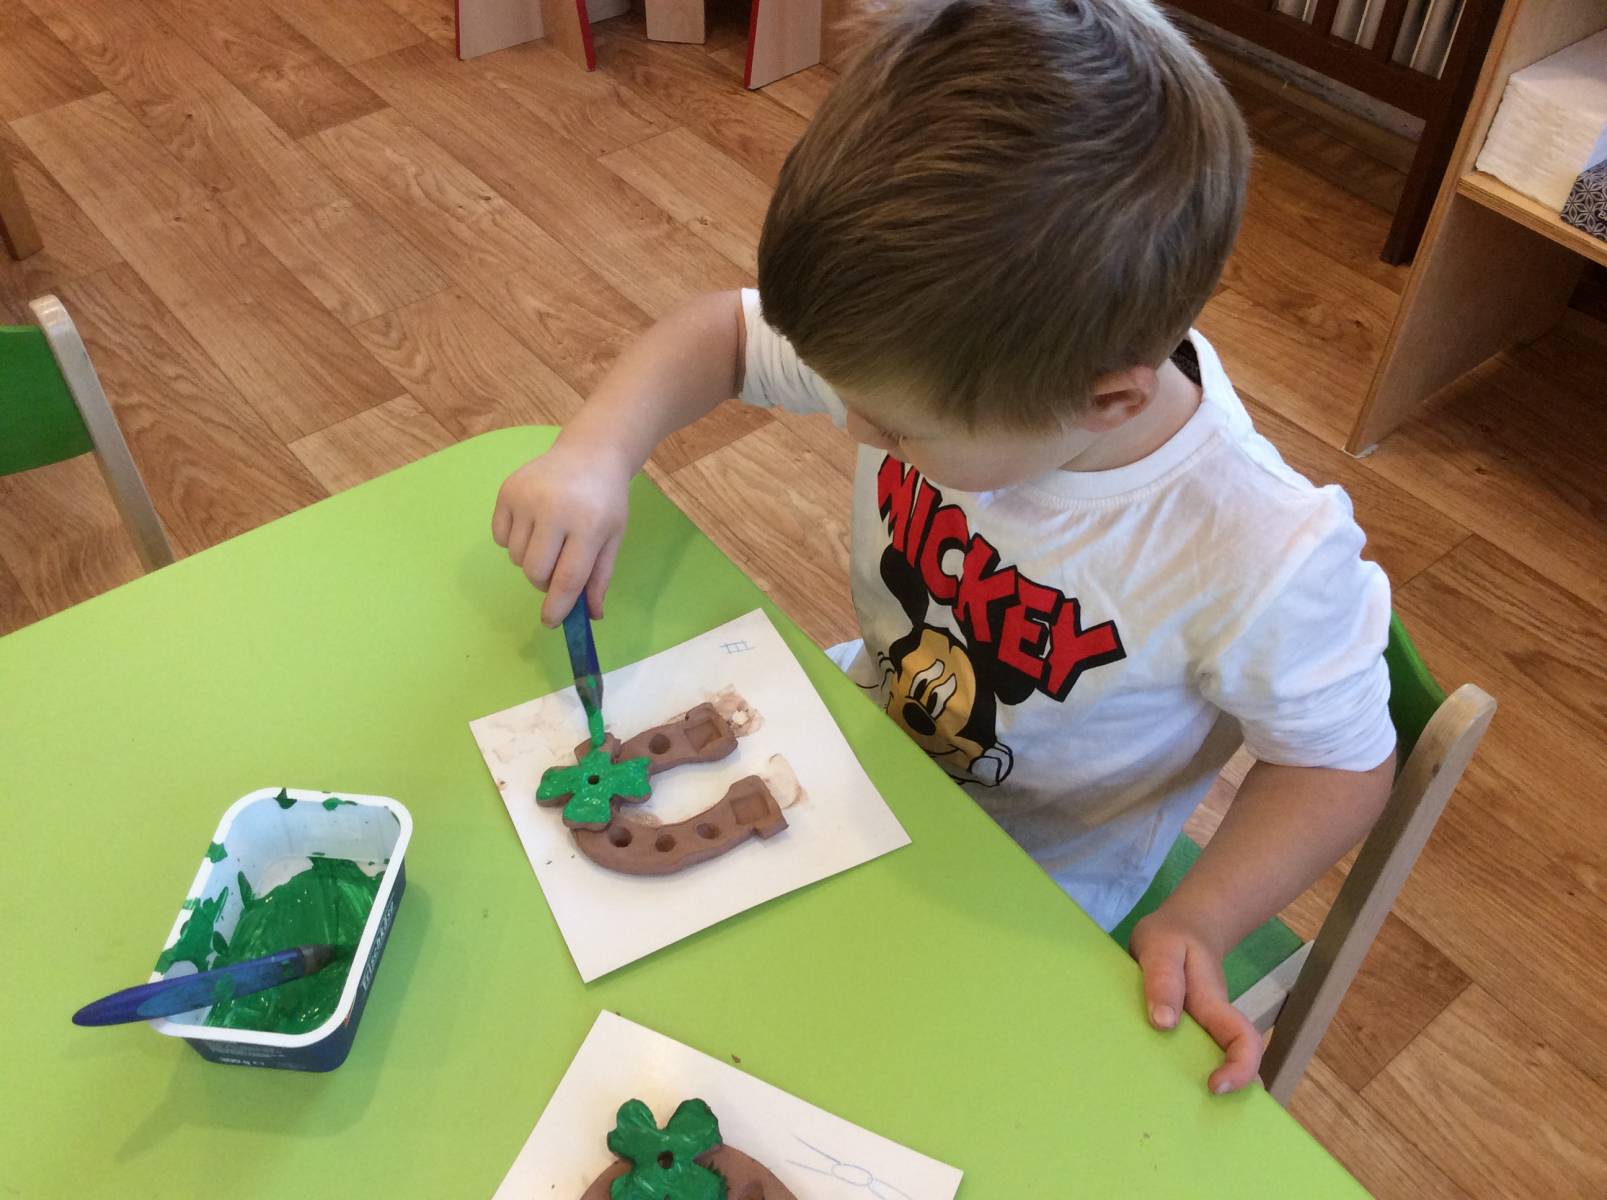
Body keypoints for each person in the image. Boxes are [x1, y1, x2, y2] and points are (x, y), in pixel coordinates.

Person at [491, 0, 1395, 1094]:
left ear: (1105, 401)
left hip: (1025, 882)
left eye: (897, 430)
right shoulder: (955, 340)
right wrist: (594, 452)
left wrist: (1204, 916)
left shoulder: (1255, 551)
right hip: (856, 740)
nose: (854, 428)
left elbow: (1338, 763)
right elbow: (724, 333)